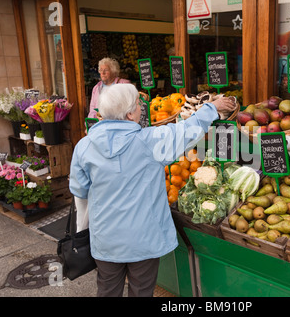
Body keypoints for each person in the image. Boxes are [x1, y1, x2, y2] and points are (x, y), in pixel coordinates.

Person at [69, 83, 236, 297]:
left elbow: (79, 192)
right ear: (129, 114)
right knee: (141, 291)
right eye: (138, 105)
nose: (141, 108)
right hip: (143, 241)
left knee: (107, 291)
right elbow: (187, 131)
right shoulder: (149, 141)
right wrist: (212, 108)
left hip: (105, 240)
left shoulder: (84, 146)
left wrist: (82, 229)